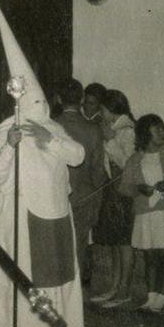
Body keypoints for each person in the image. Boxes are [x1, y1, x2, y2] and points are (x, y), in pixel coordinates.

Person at [0, 84, 86, 327]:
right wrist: (10, 146)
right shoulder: (7, 128)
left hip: (55, 210)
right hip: (21, 209)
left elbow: (77, 156)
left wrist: (50, 139)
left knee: (50, 271)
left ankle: (45, 322)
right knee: (24, 269)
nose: (38, 106)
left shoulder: (53, 128)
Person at [119, 114, 164, 313]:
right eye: (157, 130)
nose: (162, 133)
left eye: (162, 129)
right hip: (145, 213)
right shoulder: (135, 159)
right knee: (149, 256)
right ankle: (151, 296)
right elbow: (124, 188)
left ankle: (161, 297)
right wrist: (139, 189)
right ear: (146, 133)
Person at [55, 79, 106, 287]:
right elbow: (97, 170)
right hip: (85, 195)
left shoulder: (52, 125)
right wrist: (97, 202)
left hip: (56, 194)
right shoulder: (93, 130)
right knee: (79, 246)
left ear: (58, 99)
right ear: (82, 99)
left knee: (57, 245)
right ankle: (76, 292)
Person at [90, 89, 137, 308]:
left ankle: (124, 291)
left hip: (124, 191)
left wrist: (110, 140)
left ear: (111, 109)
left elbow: (128, 163)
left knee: (124, 243)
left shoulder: (127, 130)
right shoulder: (113, 128)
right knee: (115, 242)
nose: (100, 113)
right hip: (113, 190)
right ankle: (115, 287)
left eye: (102, 109)